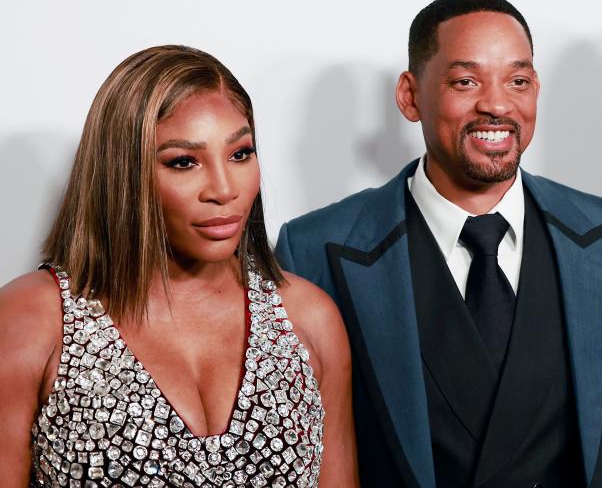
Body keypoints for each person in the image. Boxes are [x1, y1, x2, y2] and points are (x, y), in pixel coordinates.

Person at [275, 0, 602, 487]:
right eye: (465, 81)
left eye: (519, 80)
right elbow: (299, 450)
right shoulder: (317, 249)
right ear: (410, 95)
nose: (497, 104)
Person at [0, 45, 359, 486]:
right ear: (122, 173)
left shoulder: (309, 317)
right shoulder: (32, 319)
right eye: (184, 162)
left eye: (240, 154)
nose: (224, 189)